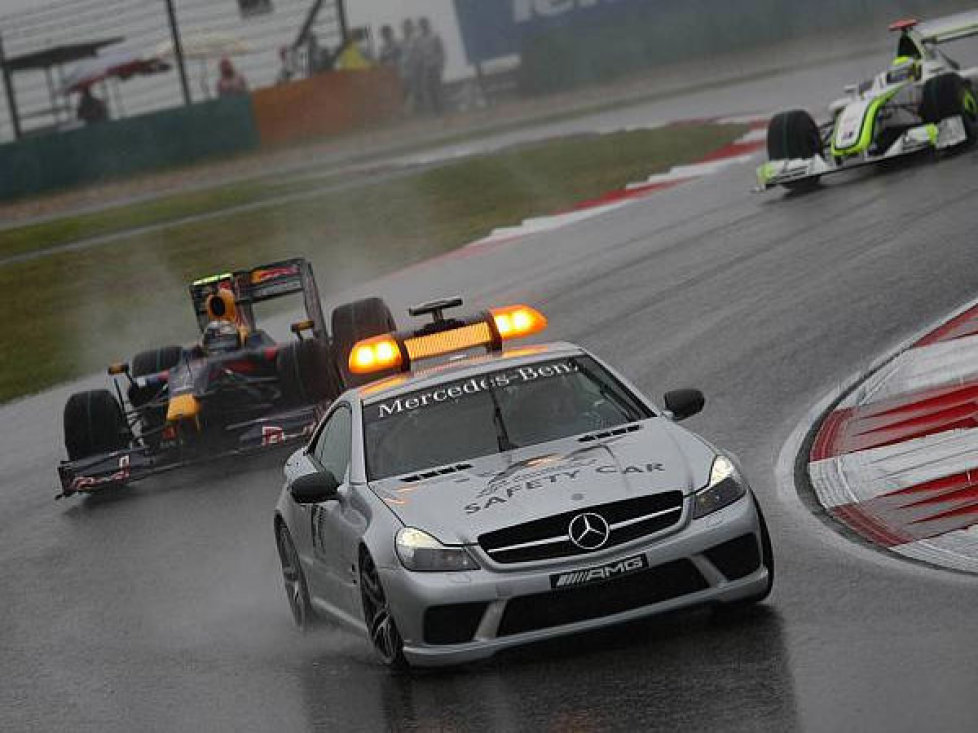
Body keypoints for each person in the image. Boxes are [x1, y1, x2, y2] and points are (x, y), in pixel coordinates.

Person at [417, 17, 446, 114]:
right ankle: (435, 111)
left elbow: (441, 51)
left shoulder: (434, 36)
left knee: (438, 88)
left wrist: (441, 64)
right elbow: (419, 54)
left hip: (435, 65)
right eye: (421, 24)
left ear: (428, 24)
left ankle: (442, 110)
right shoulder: (420, 39)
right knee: (429, 89)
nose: (423, 26)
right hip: (426, 67)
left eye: (424, 24)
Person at [400, 18, 424, 112]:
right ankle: (407, 111)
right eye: (405, 28)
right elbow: (401, 57)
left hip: (416, 70)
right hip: (405, 72)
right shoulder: (401, 42)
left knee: (418, 91)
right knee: (405, 91)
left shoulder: (416, 40)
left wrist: (417, 63)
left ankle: (422, 110)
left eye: (409, 27)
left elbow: (420, 54)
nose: (407, 29)